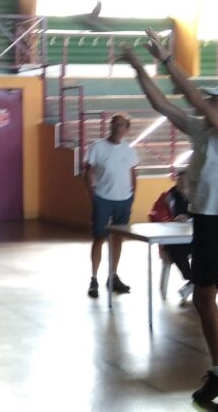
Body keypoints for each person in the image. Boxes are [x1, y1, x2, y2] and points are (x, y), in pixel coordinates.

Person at [123, 28, 218, 411]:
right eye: (209, 96)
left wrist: (166, 60)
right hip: (206, 220)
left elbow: (193, 97)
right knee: (202, 297)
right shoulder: (202, 130)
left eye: (215, 97)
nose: (207, 100)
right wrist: (139, 67)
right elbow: (162, 105)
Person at [82, 113, 139, 298]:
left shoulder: (129, 151)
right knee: (99, 237)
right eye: (114, 124)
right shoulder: (97, 147)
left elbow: (133, 173)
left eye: (121, 125)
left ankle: (113, 276)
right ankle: (93, 279)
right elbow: (87, 173)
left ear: (127, 129)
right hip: (103, 198)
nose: (117, 128)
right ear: (110, 126)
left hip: (124, 199)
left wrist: (132, 195)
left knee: (118, 238)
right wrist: (93, 197)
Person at [148, 169, 195, 302]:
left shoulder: (197, 196)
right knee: (175, 249)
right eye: (180, 179)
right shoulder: (167, 197)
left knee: (207, 249)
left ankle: (194, 282)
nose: (183, 183)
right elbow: (155, 215)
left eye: (186, 180)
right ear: (177, 180)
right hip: (173, 241)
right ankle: (192, 279)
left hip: (194, 239)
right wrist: (172, 220)